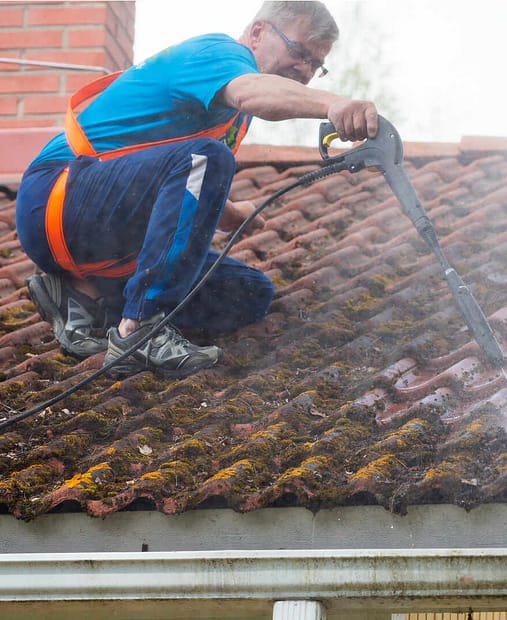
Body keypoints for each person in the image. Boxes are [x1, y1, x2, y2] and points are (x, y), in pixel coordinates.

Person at [15, 1, 377, 378]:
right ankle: (141, 329)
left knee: (250, 293)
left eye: (315, 65)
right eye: (299, 52)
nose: (304, 70)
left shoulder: (232, 118)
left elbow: (178, 189)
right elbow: (248, 98)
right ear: (257, 33)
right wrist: (335, 104)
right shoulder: (217, 53)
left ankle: (83, 300)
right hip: (56, 198)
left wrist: (233, 212)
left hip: (105, 236)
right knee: (208, 157)